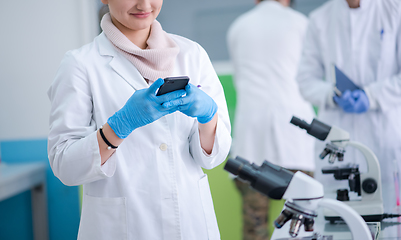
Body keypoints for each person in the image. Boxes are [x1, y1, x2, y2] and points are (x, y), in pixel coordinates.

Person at [47, 0, 232, 239]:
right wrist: (118, 127)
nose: (144, 4)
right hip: (123, 228)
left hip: (189, 223)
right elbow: (65, 166)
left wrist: (208, 117)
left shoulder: (192, 54)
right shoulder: (80, 65)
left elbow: (213, 157)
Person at [296, 0, 401, 214]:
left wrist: (370, 96)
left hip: (386, 136)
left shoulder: (394, 10)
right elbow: (306, 80)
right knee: (339, 220)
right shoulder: (320, 19)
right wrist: (332, 94)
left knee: (390, 221)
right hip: (338, 139)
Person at [226, 0, 316, 239]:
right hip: (296, 133)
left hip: (252, 137)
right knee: (305, 221)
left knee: (255, 226)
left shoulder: (239, 26)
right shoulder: (301, 23)